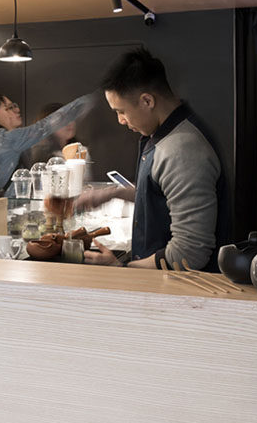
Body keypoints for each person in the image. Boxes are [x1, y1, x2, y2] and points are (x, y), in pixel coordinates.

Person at [80, 47, 228, 271]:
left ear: (147, 101)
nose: (120, 120)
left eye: (121, 111)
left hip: (181, 292)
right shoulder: (167, 134)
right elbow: (162, 193)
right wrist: (113, 193)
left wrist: (121, 268)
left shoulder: (182, 150)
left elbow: (188, 254)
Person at [0, 91, 95, 207]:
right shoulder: (5, 139)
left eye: (14, 105)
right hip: (6, 218)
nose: (16, 110)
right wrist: (92, 98)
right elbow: (46, 125)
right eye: (9, 108)